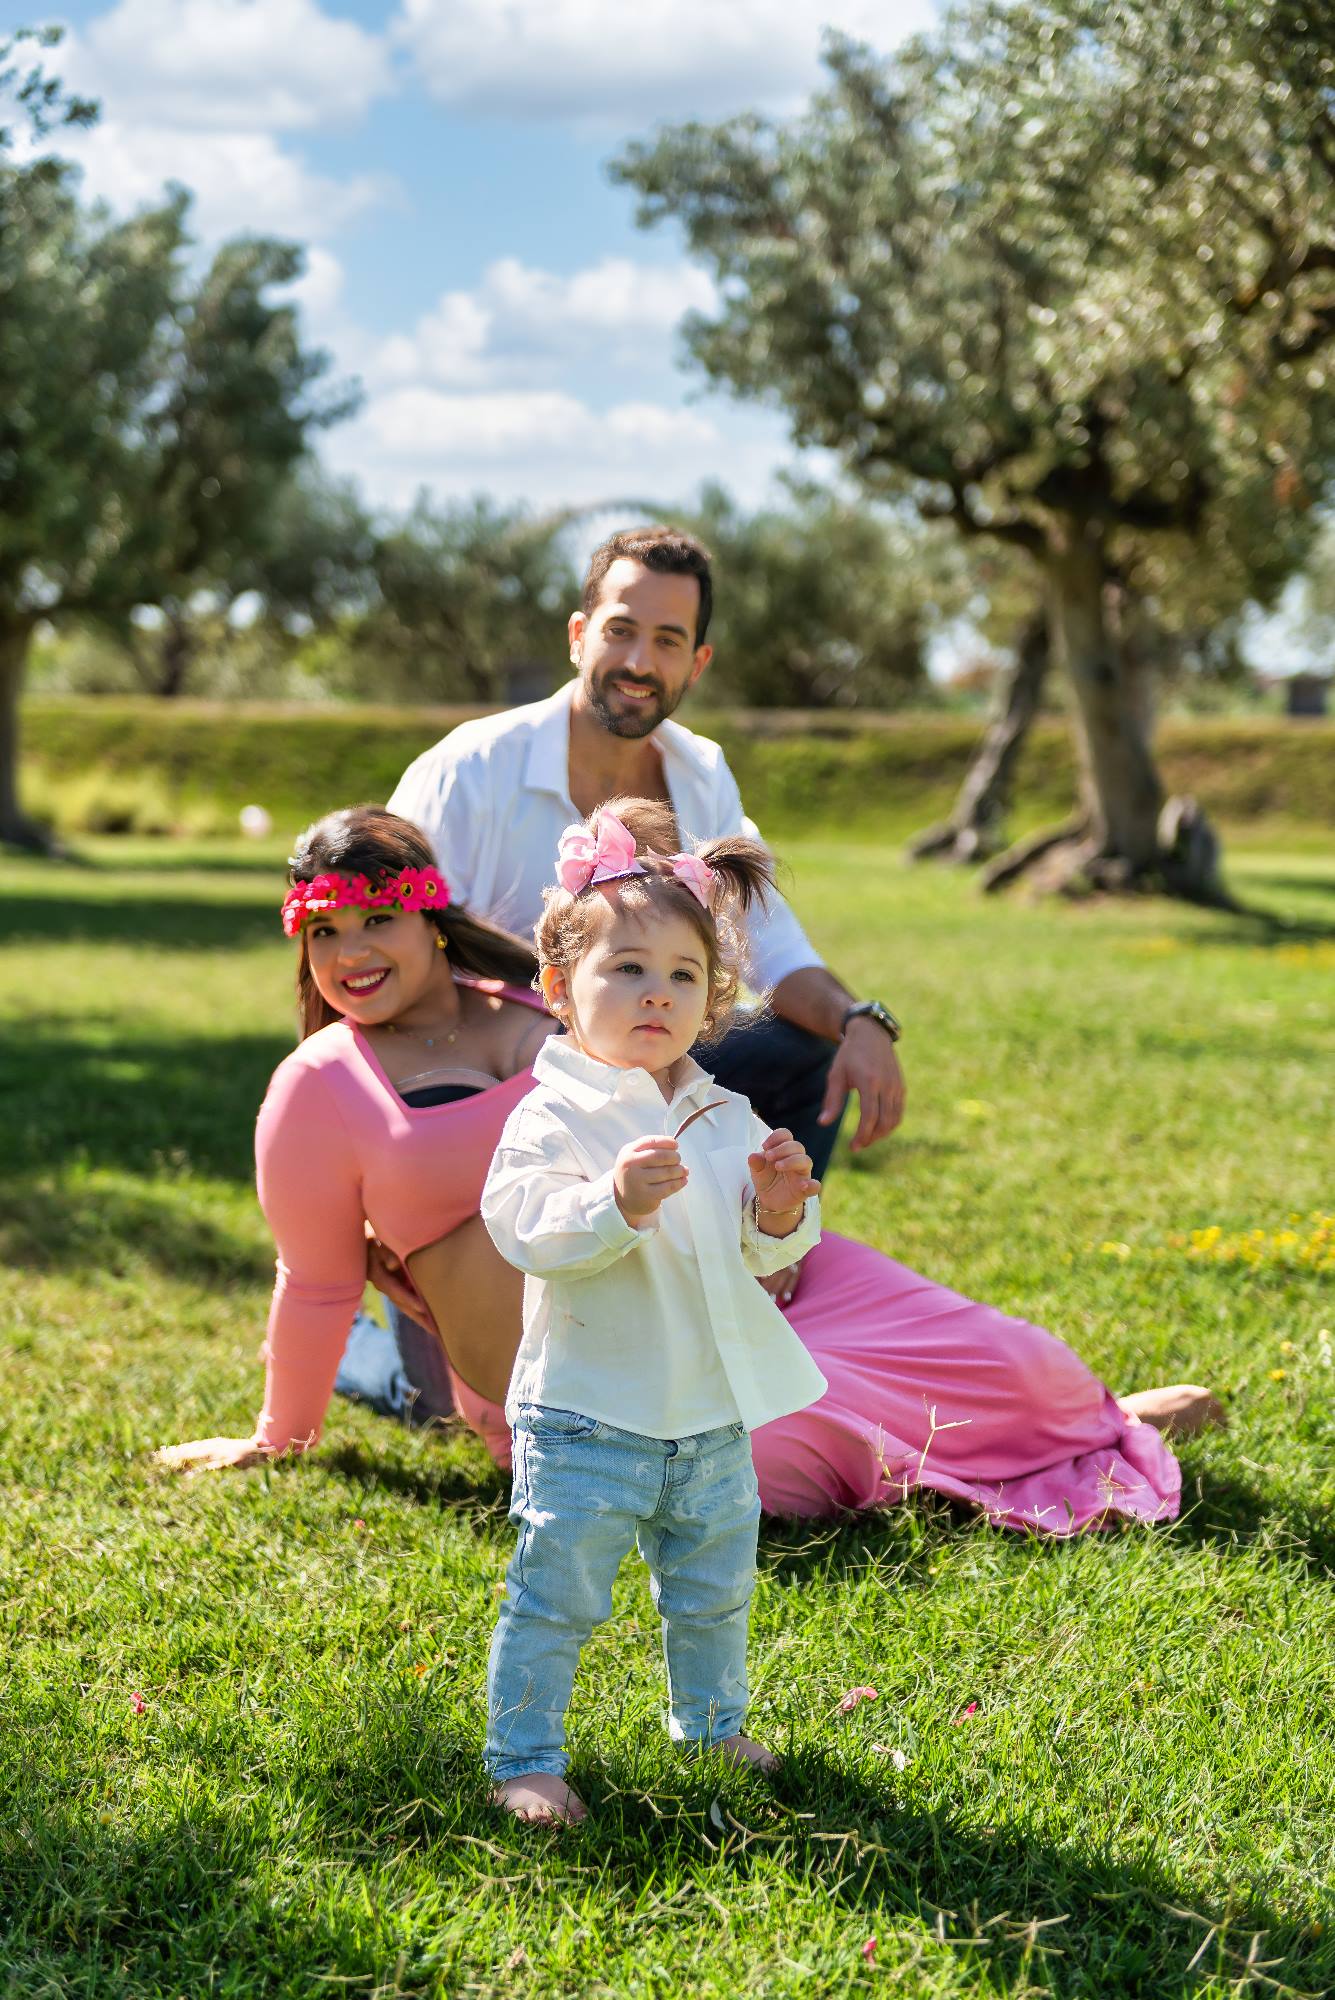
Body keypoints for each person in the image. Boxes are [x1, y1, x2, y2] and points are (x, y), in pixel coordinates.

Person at [161, 801, 1212, 1541]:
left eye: (376, 919)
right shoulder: (317, 1088)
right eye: (323, 932)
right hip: (602, 1383)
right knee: (775, 1459)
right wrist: (276, 1437)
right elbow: (316, 1281)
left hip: (742, 1276)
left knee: (1016, 1355)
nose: (352, 953)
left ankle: (1091, 1416)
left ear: (431, 916)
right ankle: (1027, 1453)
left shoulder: (554, 1004)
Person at [337, 522, 904, 1415]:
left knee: (802, 1048)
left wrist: (860, 1021)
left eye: (667, 641)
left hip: (632, 1069)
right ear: (577, 635)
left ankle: (752, 1255)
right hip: (486, 1093)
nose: (639, 660)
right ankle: (373, 1354)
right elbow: (368, 950)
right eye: (620, 630)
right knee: (441, 1399)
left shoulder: (700, 775)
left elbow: (770, 945)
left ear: (697, 662)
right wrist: (367, 1155)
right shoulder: (468, 770)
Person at [480, 802, 826, 1825]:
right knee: (558, 1594)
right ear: (558, 988)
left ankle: (711, 1722)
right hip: (589, 1412)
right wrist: (613, 1205)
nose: (654, 993)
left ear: (711, 999)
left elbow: (759, 1253)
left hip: (706, 1414)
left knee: (713, 1589)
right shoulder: (551, 1113)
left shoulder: (724, 1112)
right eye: (626, 968)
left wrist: (777, 1208)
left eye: (682, 974)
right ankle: (525, 1755)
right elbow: (524, 1227)